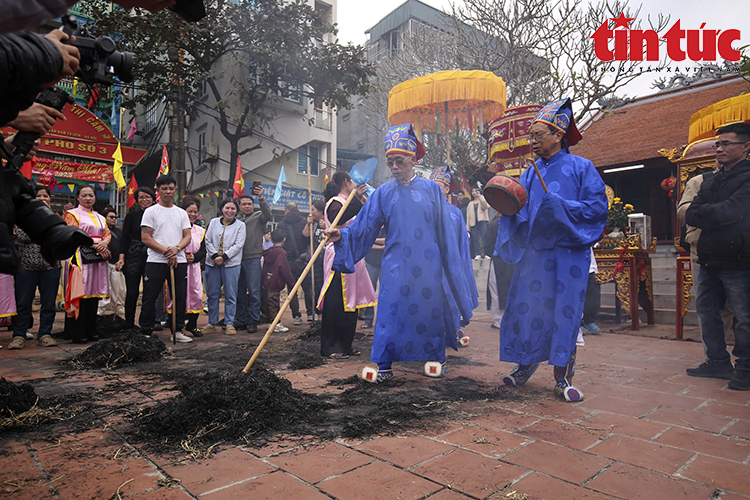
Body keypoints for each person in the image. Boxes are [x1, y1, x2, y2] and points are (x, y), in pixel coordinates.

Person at [325, 125, 476, 382]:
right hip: (395, 265)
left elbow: (445, 233)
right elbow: (364, 226)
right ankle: (384, 365)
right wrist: (343, 235)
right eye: (390, 162)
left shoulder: (432, 191)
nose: (394, 167)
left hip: (429, 266)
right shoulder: (383, 193)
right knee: (390, 313)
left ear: (413, 160)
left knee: (430, 312)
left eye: (399, 161)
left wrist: (451, 264)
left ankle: (436, 359)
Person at [495, 98, 607, 402]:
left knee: (565, 312)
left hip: (569, 253)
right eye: (530, 136)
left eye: (538, 135)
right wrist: (507, 209)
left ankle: (563, 377)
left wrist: (561, 207)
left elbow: (597, 209)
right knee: (528, 308)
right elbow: (520, 211)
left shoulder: (582, 168)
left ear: (558, 135)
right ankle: (525, 364)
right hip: (536, 254)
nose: (532, 142)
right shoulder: (530, 172)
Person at [684, 122, 750, 391]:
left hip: (739, 259)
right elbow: (690, 212)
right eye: (717, 144)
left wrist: (708, 213)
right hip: (709, 259)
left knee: (744, 316)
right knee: (707, 312)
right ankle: (717, 361)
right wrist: (715, 213)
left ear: (746, 146)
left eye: (726, 144)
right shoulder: (711, 180)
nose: (719, 149)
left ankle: (745, 367)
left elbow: (733, 212)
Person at [318, 171, 376, 359]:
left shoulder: (350, 202)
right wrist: (356, 200)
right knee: (336, 301)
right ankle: (331, 346)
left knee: (351, 302)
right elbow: (340, 219)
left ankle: (346, 344)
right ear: (346, 182)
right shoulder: (335, 203)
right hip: (339, 255)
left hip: (354, 256)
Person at [139, 175, 192, 343]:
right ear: (158, 191)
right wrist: (166, 251)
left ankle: (176, 330)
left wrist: (176, 249)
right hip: (156, 260)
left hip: (179, 260)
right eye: (164, 188)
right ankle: (146, 331)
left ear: (175, 191)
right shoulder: (151, 211)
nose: (168, 191)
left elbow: (187, 236)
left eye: (171, 188)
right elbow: (146, 238)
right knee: (150, 296)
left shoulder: (181, 213)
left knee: (179, 296)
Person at [430, 165, 478, 347]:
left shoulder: (455, 213)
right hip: (429, 265)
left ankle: (452, 329)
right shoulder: (424, 210)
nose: (434, 190)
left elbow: (461, 245)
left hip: (449, 265)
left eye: (439, 186)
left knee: (450, 299)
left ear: (447, 189)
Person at [9, 186, 61, 348]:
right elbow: (23, 236)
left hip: (51, 266)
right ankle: (19, 334)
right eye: (38, 195)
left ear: (50, 198)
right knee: (23, 302)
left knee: (48, 302)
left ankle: (45, 333)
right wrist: (46, 232)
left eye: (45, 196)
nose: (42, 198)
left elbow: (59, 237)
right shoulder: (23, 216)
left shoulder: (56, 216)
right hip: (26, 266)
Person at [60, 185, 111, 344]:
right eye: (84, 195)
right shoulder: (71, 214)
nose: (88, 198)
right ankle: (77, 330)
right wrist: (95, 245)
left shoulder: (100, 217)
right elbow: (72, 234)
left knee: (94, 294)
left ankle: (91, 328)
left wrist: (104, 243)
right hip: (79, 256)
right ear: (78, 197)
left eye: (91, 195)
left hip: (97, 258)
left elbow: (107, 233)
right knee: (81, 292)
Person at [203, 198, 246, 335]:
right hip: (213, 263)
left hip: (231, 264)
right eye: (227, 208)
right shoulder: (214, 222)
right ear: (222, 208)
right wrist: (215, 256)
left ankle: (229, 323)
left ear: (236, 210)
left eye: (233, 208)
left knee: (231, 294)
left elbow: (239, 245)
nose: (230, 211)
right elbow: (207, 240)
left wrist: (225, 257)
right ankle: (212, 322)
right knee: (212, 294)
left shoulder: (240, 225)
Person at [117, 186, 157, 328]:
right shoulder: (131, 216)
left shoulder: (157, 215)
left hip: (152, 256)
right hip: (132, 256)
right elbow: (124, 239)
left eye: (147, 197)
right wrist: (121, 258)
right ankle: (129, 324)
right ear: (137, 200)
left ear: (153, 199)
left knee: (149, 293)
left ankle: (147, 324)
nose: (144, 200)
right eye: (141, 197)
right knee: (132, 293)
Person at [167, 197, 206, 336]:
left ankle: (192, 325)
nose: (193, 214)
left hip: (194, 268)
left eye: (195, 212)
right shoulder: (176, 229)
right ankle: (175, 327)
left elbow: (203, 251)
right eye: (190, 211)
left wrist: (194, 257)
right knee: (177, 296)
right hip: (178, 266)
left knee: (195, 295)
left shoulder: (200, 231)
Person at [235, 186, 271, 333]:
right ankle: (241, 319)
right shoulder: (235, 220)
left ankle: (253, 320)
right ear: (239, 206)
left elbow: (267, 214)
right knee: (239, 292)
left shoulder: (258, 217)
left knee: (255, 292)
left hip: (253, 258)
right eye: (244, 204)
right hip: (236, 260)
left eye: (249, 204)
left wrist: (261, 198)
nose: (247, 206)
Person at [278, 202, 314, 325]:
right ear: (297, 209)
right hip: (304, 260)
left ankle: (296, 316)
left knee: (292, 289)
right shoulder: (305, 222)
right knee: (307, 288)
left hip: (289, 260)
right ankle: (310, 313)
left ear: (286, 210)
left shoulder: (281, 224)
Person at [484, 209, 514, 330]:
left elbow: (488, 246)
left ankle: (499, 320)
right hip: (512, 261)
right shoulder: (514, 223)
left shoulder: (493, 225)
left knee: (495, 291)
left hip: (497, 261)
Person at [262, 229, 296, 333]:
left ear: (271, 240)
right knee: (274, 303)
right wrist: (292, 283)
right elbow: (284, 269)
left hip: (267, 280)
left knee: (269, 302)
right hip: (276, 281)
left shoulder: (268, 253)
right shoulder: (281, 253)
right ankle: (275, 323)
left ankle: (271, 321)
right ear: (284, 239)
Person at [97, 208, 125, 317]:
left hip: (116, 262)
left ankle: (118, 307)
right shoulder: (101, 230)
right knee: (104, 287)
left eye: (115, 217)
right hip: (103, 262)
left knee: (119, 287)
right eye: (111, 217)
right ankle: (101, 308)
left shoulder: (118, 231)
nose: (114, 219)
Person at [302, 199, 327, 319]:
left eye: (313, 210)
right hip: (314, 261)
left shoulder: (329, 221)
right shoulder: (313, 223)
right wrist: (308, 223)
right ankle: (318, 313)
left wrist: (326, 226)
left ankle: (326, 312)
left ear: (321, 211)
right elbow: (305, 234)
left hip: (327, 261)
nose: (311, 212)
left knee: (325, 287)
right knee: (315, 288)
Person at [361, 226, 385, 330]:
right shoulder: (371, 225)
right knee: (369, 291)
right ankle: (368, 319)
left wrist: (373, 241)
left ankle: (384, 321)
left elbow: (389, 240)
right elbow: (365, 242)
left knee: (385, 293)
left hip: (386, 263)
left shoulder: (390, 225)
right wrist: (381, 245)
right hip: (370, 262)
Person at [580, 247, 602, 335]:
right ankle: (578, 324)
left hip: (588, 264)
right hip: (572, 261)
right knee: (576, 297)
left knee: (593, 295)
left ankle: (589, 321)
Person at [466, 187, 491, 260]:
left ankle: (486, 253)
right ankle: (478, 254)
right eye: (473, 191)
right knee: (475, 239)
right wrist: (467, 228)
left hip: (482, 221)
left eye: (475, 191)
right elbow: (468, 216)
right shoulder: (470, 203)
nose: (474, 193)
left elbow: (486, 206)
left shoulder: (482, 200)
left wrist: (480, 196)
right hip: (473, 222)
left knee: (484, 237)